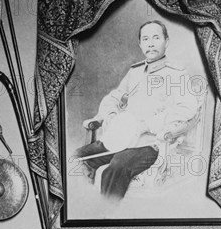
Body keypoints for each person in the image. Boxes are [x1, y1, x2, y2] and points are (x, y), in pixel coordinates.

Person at [73, 20, 199, 200]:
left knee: (117, 166)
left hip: (149, 145)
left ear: (167, 41)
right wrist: (111, 115)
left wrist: (147, 125)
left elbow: (187, 108)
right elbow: (114, 97)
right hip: (120, 140)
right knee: (79, 157)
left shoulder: (176, 73)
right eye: (145, 39)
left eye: (156, 37)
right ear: (140, 44)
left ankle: (107, 217)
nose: (151, 43)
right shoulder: (135, 71)